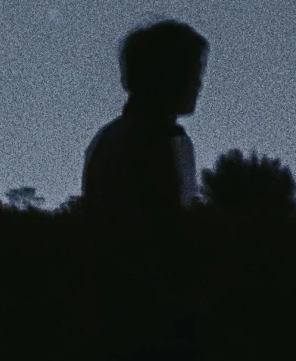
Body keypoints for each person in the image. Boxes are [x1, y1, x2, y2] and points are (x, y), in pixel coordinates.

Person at [80, 19, 211, 361]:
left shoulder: (158, 141)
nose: (198, 82)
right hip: (143, 335)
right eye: (192, 70)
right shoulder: (130, 144)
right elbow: (131, 240)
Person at [81, 19, 208, 221]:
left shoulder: (119, 137)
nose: (199, 84)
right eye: (194, 72)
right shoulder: (142, 140)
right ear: (168, 75)